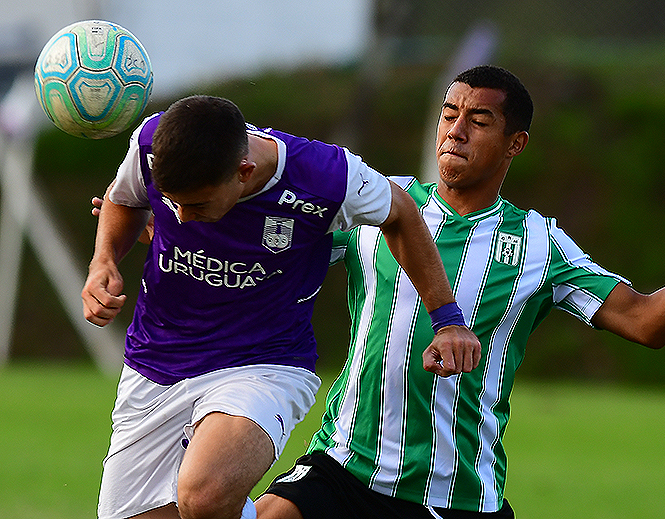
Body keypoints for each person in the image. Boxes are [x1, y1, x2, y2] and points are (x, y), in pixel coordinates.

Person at [251, 65, 665, 518]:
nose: (455, 130)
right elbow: (275, 243)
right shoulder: (379, 206)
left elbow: (646, 322)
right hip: (343, 462)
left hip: (454, 492)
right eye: (449, 114)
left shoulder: (539, 244)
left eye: (478, 120)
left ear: (516, 143)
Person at [81, 95, 481, 519]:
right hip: (155, 359)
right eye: (171, 202)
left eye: (196, 204)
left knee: (204, 494)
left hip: (264, 361)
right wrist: (104, 259)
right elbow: (123, 198)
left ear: (244, 172)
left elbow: (401, 213)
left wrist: (448, 320)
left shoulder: (327, 178)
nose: (178, 218)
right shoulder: (152, 143)